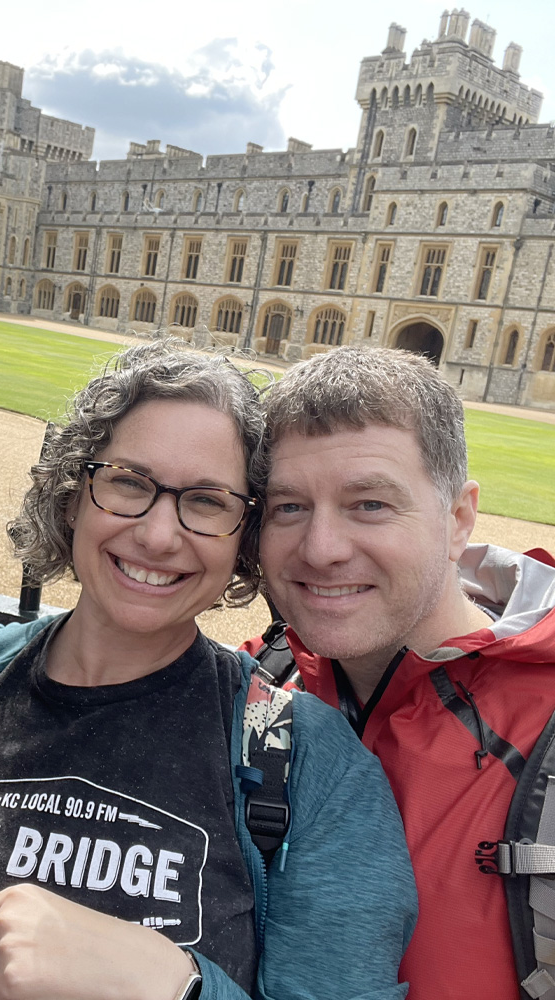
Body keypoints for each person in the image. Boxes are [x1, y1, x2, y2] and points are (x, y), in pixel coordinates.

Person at [0, 340, 417, 1000]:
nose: (158, 535)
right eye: (129, 482)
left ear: (243, 536)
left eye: (207, 501)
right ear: (73, 496)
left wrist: (175, 986)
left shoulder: (310, 763)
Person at [256, 344, 555, 1000]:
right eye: (288, 507)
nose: (322, 549)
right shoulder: (257, 685)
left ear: (458, 520)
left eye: (370, 504)